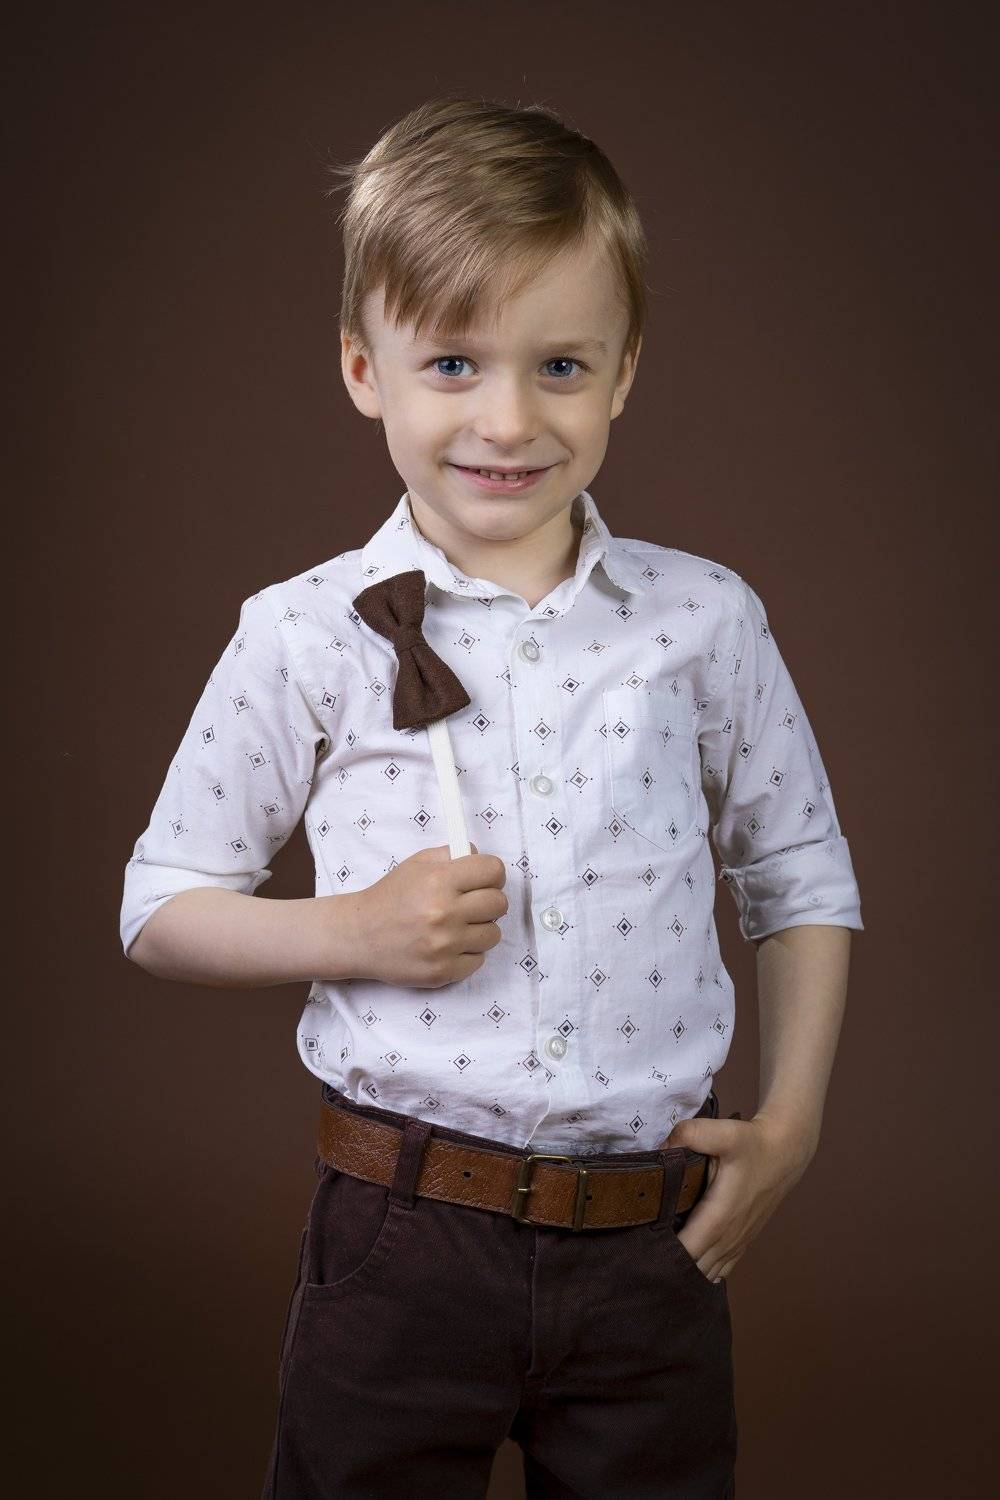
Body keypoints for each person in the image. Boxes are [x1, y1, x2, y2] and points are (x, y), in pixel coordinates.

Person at [120, 96, 864, 1499]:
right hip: (401, 1234)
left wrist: (794, 1126)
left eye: (561, 364)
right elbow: (158, 906)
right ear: (365, 368)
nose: (509, 420)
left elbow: (801, 870)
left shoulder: (703, 619)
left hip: (651, 1236)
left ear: (625, 371)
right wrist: (350, 931)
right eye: (453, 362)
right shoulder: (304, 632)